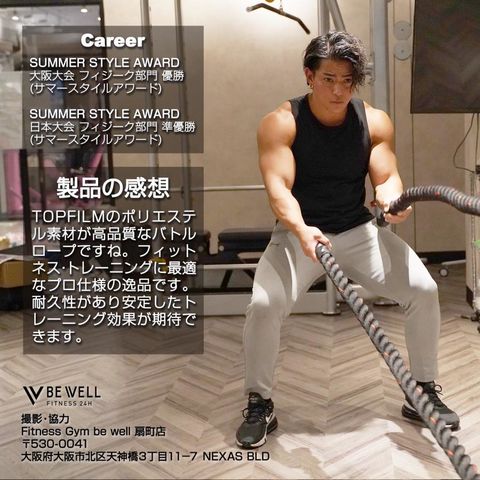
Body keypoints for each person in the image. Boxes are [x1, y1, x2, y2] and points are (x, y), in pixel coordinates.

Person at [235, 31, 460, 449]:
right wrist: (301, 229)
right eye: (328, 79)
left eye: (347, 81)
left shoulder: (373, 120)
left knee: (424, 290)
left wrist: (392, 200)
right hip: (300, 233)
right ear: (309, 76)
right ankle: (259, 402)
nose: (339, 90)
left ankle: (423, 392)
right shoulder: (281, 122)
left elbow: (387, 175)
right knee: (264, 305)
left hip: (358, 231)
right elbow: (279, 190)